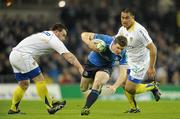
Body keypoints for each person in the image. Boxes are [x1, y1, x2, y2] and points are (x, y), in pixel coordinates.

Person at [8, 23, 83, 114]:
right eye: (63, 35)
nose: (64, 39)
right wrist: (80, 68)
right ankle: (50, 106)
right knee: (40, 80)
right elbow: (69, 56)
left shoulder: (46, 34)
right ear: (56, 32)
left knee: (24, 83)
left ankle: (13, 109)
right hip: (23, 56)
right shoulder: (53, 39)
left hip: (14, 55)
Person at [109, 8, 161, 113]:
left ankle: (152, 86)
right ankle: (134, 108)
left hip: (140, 62)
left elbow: (153, 49)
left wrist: (151, 67)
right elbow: (115, 40)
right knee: (124, 83)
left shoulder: (139, 30)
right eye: (122, 17)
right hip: (129, 60)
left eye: (127, 18)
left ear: (133, 18)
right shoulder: (122, 29)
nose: (124, 20)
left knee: (129, 88)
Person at [80, 32, 128, 116]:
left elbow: (123, 73)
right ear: (113, 43)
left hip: (106, 67)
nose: (119, 51)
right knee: (83, 88)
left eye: (122, 49)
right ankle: (95, 87)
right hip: (91, 64)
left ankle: (86, 108)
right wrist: (90, 44)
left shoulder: (123, 54)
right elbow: (84, 34)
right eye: (118, 48)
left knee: (98, 82)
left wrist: (115, 86)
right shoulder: (105, 39)